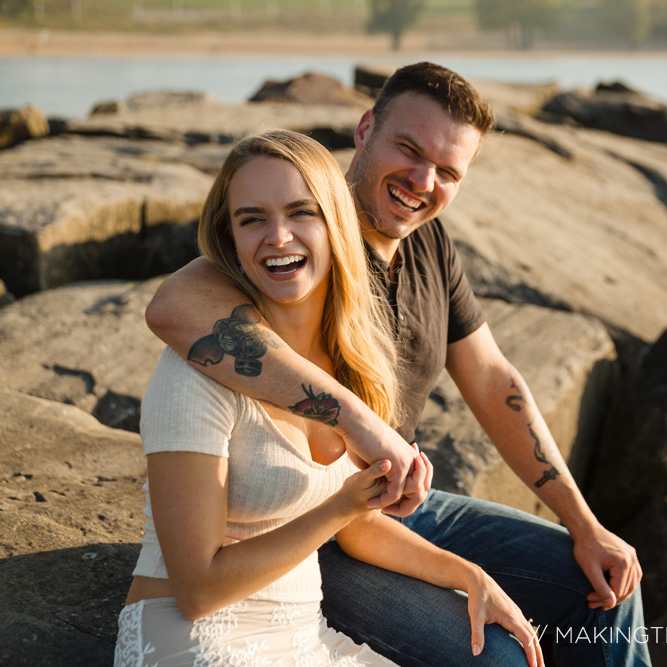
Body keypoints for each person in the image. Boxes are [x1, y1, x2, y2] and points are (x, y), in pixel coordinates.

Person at [145, 63, 653, 666]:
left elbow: (493, 380)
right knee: (498, 656)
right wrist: (358, 419)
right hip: (323, 519)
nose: (422, 179)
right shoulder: (302, 229)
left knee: (608, 591)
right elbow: (176, 304)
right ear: (366, 130)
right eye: (408, 149)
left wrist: (584, 524)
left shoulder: (429, 244)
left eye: (447, 172)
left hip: (409, 503)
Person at [115, 130, 543, 667]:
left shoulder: (353, 365)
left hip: (305, 637)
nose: (277, 236)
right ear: (230, 236)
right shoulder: (197, 370)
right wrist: (342, 504)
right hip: (199, 640)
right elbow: (198, 590)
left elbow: (359, 526)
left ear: (336, 224)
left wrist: (469, 575)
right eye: (252, 219)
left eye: (301, 213)